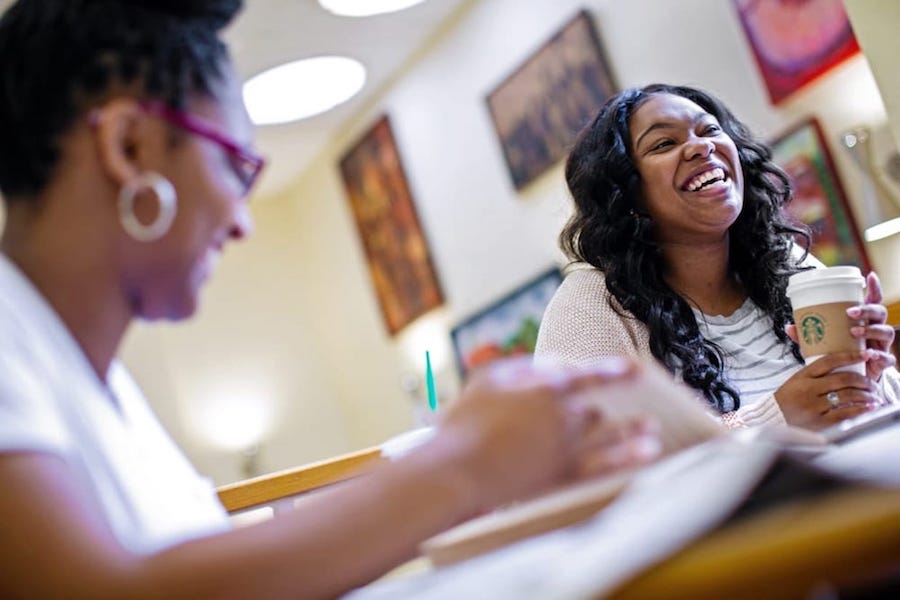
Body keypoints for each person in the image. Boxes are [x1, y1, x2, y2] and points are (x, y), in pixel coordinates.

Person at [0, 1, 666, 598]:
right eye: (237, 167)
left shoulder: (101, 394)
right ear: (128, 145)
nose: (241, 222)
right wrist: (464, 464)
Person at [536, 83, 900, 432]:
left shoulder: (783, 262)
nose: (700, 147)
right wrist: (776, 418)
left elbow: (879, 410)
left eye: (709, 130)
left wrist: (868, 378)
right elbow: (589, 465)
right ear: (626, 194)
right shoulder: (592, 302)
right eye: (664, 143)